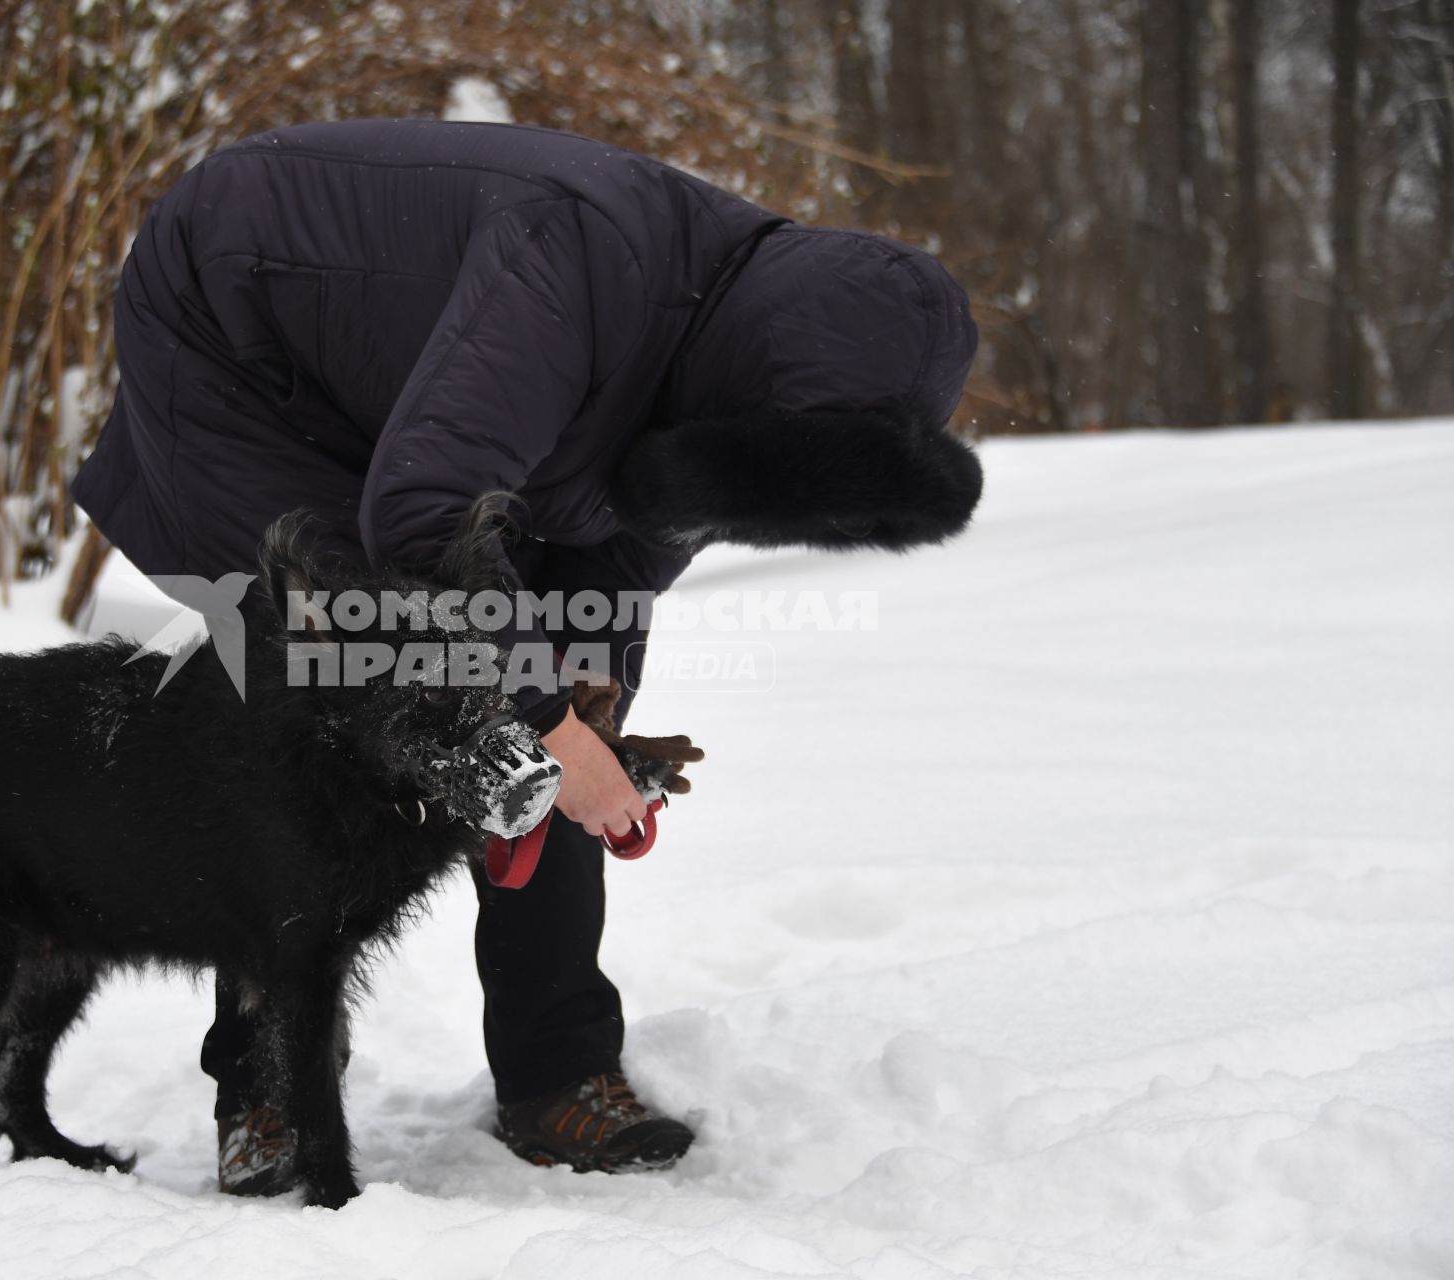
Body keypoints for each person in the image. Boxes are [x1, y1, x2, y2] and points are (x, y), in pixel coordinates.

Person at [71, 119, 982, 1192]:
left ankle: (557, 1073)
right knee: (336, 682)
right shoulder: (580, 262)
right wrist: (541, 721)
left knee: (529, 693)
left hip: (430, 401)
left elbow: (619, 557)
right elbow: (421, 512)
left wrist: (580, 710)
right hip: (239, 342)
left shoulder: (739, 380)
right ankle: (269, 1085)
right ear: (746, 397)